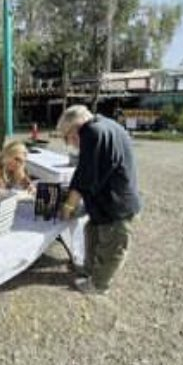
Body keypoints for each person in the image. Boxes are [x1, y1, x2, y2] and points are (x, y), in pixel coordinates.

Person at [57, 105, 141, 295]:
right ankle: (88, 271)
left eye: (67, 136)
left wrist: (69, 206)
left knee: (111, 247)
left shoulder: (91, 131)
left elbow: (82, 176)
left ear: (76, 127)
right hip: (106, 201)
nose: (69, 144)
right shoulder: (106, 124)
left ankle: (99, 285)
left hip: (116, 205)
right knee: (92, 232)